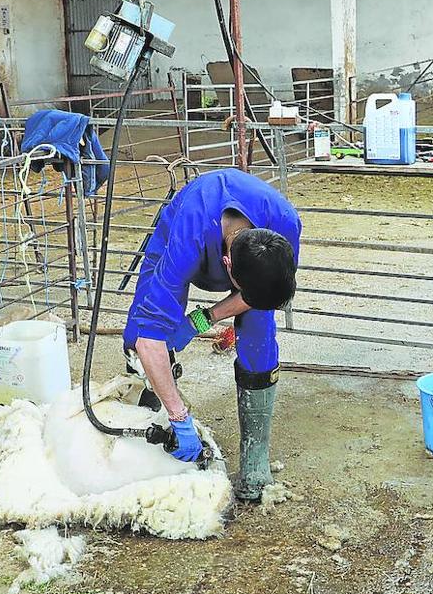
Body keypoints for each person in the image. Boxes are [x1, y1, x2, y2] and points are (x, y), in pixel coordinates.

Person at [122, 168, 300, 501]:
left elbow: (261, 293)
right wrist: (181, 417)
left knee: (260, 332)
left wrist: (200, 321)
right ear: (227, 265)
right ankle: (150, 416)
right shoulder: (186, 241)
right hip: (180, 235)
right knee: (141, 330)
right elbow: (149, 337)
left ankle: (254, 457)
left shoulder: (285, 225)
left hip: (248, 264)